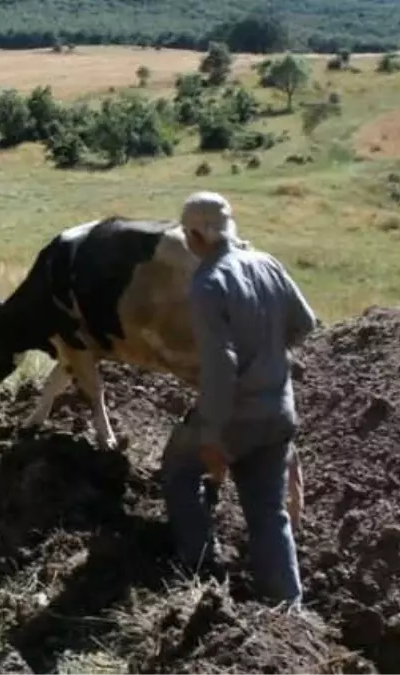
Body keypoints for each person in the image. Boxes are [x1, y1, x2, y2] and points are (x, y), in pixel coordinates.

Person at [162, 190, 318, 607]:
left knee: (178, 469)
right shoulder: (267, 263)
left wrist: (212, 434)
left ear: (195, 235)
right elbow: (305, 323)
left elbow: (220, 366)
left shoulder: (208, 284)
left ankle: (199, 576)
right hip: (279, 410)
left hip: (236, 417)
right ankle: (289, 610)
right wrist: (268, 353)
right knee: (269, 513)